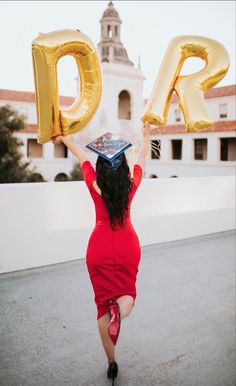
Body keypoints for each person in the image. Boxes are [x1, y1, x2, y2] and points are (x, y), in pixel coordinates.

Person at [51, 123, 151, 384]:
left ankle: (111, 363)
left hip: (99, 247)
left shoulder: (94, 185)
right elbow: (141, 158)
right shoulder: (131, 185)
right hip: (128, 245)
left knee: (101, 308)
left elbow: (82, 157)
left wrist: (66, 139)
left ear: (101, 169)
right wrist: (147, 136)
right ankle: (120, 308)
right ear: (124, 169)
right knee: (129, 294)